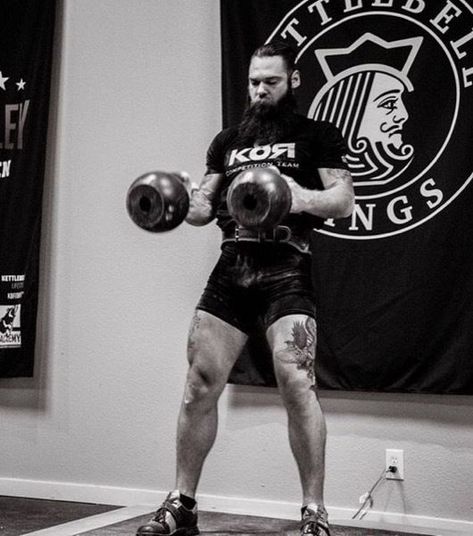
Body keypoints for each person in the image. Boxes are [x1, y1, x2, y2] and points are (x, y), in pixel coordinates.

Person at [136, 42, 354, 536]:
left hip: (286, 263)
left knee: (298, 383)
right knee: (198, 384)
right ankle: (181, 504)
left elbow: (344, 201)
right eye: (254, 81)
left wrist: (302, 197)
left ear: (292, 82)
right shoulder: (228, 141)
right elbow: (203, 207)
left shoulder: (315, 136)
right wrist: (183, 203)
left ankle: (314, 511)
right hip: (233, 263)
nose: (259, 90)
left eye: (271, 82)